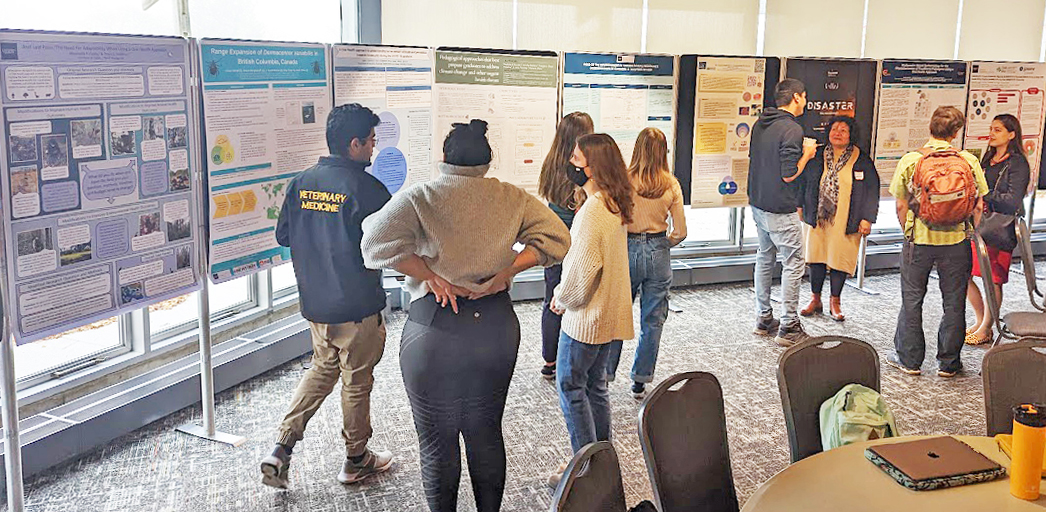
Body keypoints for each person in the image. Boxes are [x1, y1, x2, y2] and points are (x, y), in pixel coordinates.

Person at [361, 120, 570, 512]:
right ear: (488, 162)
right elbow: (558, 239)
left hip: (433, 327)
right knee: (486, 433)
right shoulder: (511, 197)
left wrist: (430, 275)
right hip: (494, 327)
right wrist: (508, 270)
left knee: (437, 443)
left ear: (443, 159)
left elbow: (372, 244)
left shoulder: (422, 196)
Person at [260, 103, 394, 489]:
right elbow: (387, 246)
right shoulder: (368, 190)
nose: (373, 148)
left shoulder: (301, 182)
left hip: (317, 308)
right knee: (356, 382)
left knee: (322, 370)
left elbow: (284, 236)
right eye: (370, 141)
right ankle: (356, 460)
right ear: (353, 144)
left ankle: (281, 447)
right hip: (356, 309)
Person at [548, 133, 635, 486]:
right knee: (595, 386)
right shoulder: (615, 202)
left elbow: (581, 271)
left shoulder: (593, 211)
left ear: (594, 165)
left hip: (587, 317)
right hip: (609, 313)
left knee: (571, 386)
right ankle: (600, 459)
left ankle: (584, 469)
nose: (572, 164)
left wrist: (561, 297)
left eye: (577, 159)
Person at [887, 106, 988, 378]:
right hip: (956, 242)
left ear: (930, 127)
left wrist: (908, 231)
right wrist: (969, 230)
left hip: (919, 240)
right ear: (956, 132)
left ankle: (909, 361)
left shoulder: (911, 160)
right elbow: (978, 205)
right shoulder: (968, 161)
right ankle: (949, 363)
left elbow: (899, 205)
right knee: (954, 301)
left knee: (912, 300)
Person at [605, 127, 686, 399]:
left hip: (626, 249)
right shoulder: (671, 184)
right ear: (664, 152)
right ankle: (640, 380)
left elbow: (611, 219)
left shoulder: (623, 181)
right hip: (658, 250)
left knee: (617, 316)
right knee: (652, 320)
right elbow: (681, 232)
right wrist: (663, 244)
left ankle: (605, 374)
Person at [748, 78, 819, 346]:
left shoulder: (760, 123)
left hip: (758, 202)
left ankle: (763, 317)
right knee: (793, 261)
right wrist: (808, 154)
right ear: (797, 97)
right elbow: (789, 174)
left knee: (765, 256)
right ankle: (789, 325)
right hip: (780, 206)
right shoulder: (792, 129)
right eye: (805, 97)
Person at [798, 116, 879, 321]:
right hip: (818, 217)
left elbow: (872, 191)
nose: (838, 133)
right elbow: (805, 182)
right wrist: (800, 205)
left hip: (847, 219)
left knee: (838, 259)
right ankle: (815, 299)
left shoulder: (862, 159)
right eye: (834, 129)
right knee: (816, 257)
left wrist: (867, 218)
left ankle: (836, 301)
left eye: (843, 130)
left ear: (851, 134)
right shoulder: (817, 156)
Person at [538, 112, 595, 380]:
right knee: (578, 298)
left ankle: (549, 360)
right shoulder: (584, 165)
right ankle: (572, 360)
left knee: (552, 297)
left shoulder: (551, 162)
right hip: (576, 240)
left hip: (553, 240)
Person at [965, 114, 1030, 345]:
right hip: (979, 225)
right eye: (991, 129)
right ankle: (981, 319)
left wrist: (985, 195)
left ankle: (986, 327)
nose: (991, 133)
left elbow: (1012, 200)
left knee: (992, 279)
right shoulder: (988, 158)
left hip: (999, 228)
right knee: (964, 275)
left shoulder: (1017, 163)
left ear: (1011, 135)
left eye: (998, 130)